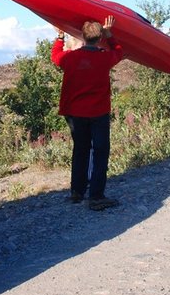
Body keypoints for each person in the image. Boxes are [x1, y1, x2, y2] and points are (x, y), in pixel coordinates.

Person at [51, 16, 123, 211]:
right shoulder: (104, 57)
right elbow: (119, 52)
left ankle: (77, 192)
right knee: (100, 152)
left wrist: (59, 37)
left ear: (82, 36)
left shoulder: (70, 58)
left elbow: (55, 55)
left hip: (75, 114)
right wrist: (110, 36)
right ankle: (96, 196)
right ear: (100, 38)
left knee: (80, 150)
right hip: (98, 113)